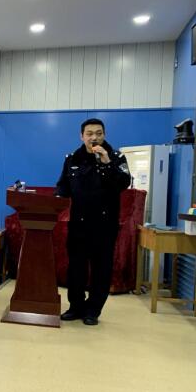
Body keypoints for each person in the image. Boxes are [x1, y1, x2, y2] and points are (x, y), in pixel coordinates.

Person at [56, 118, 131, 326]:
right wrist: (55, 199)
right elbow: (63, 186)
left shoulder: (116, 157)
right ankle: (76, 307)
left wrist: (107, 164)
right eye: (89, 134)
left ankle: (93, 310)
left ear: (104, 135)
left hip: (105, 226)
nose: (94, 138)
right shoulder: (72, 158)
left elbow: (124, 183)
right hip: (78, 224)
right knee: (76, 268)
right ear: (82, 136)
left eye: (98, 133)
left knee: (101, 269)